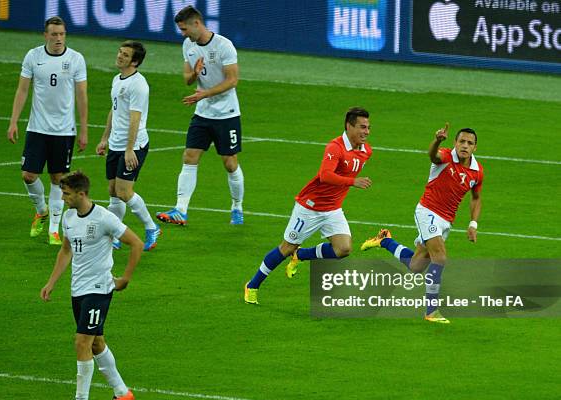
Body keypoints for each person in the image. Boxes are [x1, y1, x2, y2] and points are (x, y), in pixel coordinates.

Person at [40, 171, 143, 400]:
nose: (62, 198)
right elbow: (66, 250)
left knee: (81, 341)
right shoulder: (69, 217)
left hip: (99, 289)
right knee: (96, 343)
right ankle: (121, 392)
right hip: (78, 290)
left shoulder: (104, 219)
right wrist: (52, 282)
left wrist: (126, 277)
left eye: (66, 193)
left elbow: (136, 243)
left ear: (81, 194)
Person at [244, 107, 374, 305]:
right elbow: (325, 175)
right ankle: (252, 286)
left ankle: (301, 255)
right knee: (286, 247)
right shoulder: (335, 148)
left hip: (332, 209)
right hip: (310, 208)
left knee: (344, 249)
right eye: (362, 127)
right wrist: (352, 182)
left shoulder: (366, 151)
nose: (366, 132)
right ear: (349, 126)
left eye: (368, 128)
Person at [360, 123, 484, 324]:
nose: (465, 146)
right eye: (461, 141)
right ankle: (431, 311)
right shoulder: (444, 156)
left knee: (416, 265)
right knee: (440, 258)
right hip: (428, 211)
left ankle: (384, 240)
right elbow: (433, 156)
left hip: (446, 221)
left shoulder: (477, 172)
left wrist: (473, 224)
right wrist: (437, 140)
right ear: (455, 142)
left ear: (475, 148)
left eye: (470, 143)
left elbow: (476, 198)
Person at [156, 5, 244, 226]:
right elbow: (186, 78)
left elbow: (232, 80)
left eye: (185, 29)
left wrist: (204, 93)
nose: (183, 34)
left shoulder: (224, 46)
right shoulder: (189, 45)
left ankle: (237, 206)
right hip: (203, 113)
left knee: (230, 163)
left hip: (227, 113)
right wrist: (194, 74)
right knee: (189, 156)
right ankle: (181, 210)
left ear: (197, 23)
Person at [7, 16, 88, 245]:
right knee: (28, 175)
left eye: (62, 34)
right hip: (37, 127)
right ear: (46, 35)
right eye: (54, 34)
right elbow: (22, 90)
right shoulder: (33, 56)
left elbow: (82, 95)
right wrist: (13, 121)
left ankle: (54, 228)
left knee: (58, 178)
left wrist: (83, 129)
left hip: (64, 131)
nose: (58, 38)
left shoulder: (75, 59)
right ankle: (41, 209)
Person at [96, 41, 160, 251]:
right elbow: (114, 110)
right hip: (115, 144)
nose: (119, 56)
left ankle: (151, 227)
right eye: (119, 52)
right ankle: (115, 234)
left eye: (125, 55)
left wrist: (130, 149)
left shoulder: (138, 85)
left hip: (133, 145)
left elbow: (135, 119)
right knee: (113, 190)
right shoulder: (118, 79)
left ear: (134, 61)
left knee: (124, 191)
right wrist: (105, 138)